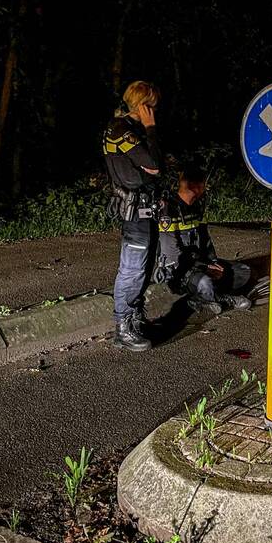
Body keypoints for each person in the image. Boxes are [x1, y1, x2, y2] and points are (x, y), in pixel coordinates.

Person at [103, 81, 164, 351]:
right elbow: (154, 164)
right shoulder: (120, 130)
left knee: (145, 266)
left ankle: (135, 319)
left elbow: (154, 169)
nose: (155, 110)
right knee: (133, 269)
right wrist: (151, 129)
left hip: (147, 207)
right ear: (143, 105)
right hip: (133, 208)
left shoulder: (131, 130)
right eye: (151, 105)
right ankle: (123, 327)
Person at [158, 167, 252, 314]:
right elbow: (172, 255)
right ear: (195, 187)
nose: (204, 189)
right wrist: (204, 266)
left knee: (243, 271)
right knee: (205, 282)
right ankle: (217, 298)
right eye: (203, 185)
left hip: (200, 264)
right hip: (178, 269)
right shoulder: (168, 210)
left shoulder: (197, 207)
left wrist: (213, 262)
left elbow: (205, 240)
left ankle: (206, 298)